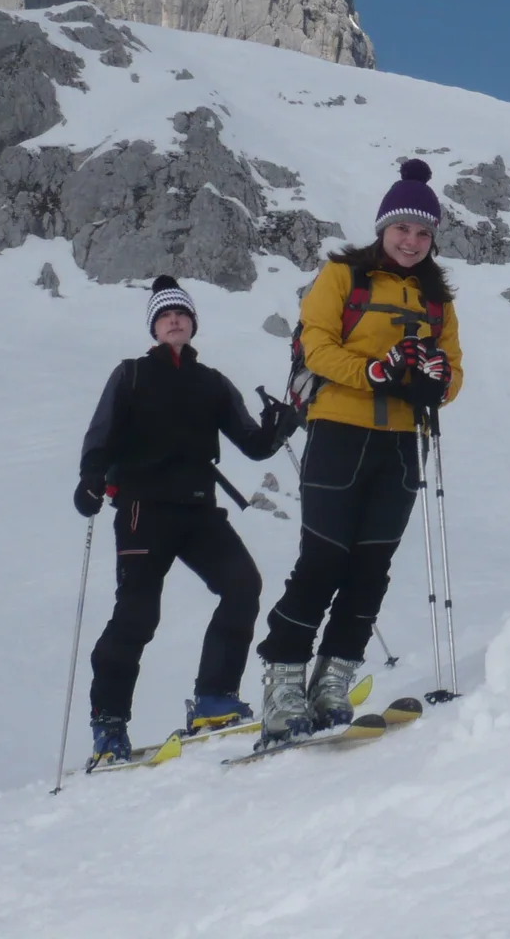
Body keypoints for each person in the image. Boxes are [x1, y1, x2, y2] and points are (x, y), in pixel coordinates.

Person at [255, 159, 464, 743]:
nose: (412, 241)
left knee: (371, 567)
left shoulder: (437, 300)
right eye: (403, 228)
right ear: (383, 226)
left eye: (424, 233)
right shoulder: (344, 275)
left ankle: (333, 678)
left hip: (401, 444)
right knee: (323, 560)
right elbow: (316, 345)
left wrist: (436, 381)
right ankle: (283, 679)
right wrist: (373, 371)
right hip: (338, 432)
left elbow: (454, 372)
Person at [74, 276, 300, 764]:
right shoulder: (131, 374)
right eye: (164, 316)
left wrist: (281, 426)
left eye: (181, 314)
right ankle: (108, 724)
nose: (174, 320)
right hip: (141, 510)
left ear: (193, 323)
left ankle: (214, 697)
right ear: (154, 328)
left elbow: (254, 444)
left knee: (243, 585)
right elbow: (102, 433)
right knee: (137, 616)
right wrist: (90, 479)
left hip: (198, 510)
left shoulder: (213, 382)